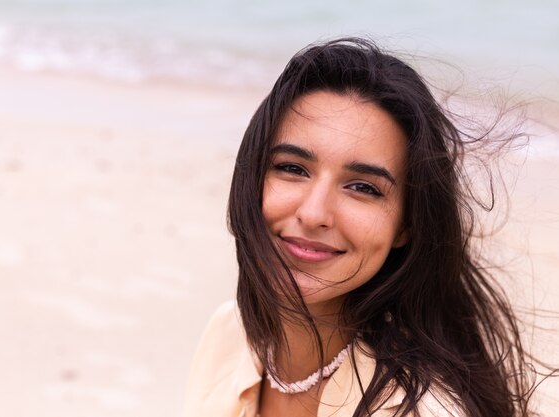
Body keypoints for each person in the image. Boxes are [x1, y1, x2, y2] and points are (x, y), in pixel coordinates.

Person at [183, 38, 543, 417]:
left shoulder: (423, 409)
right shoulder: (230, 332)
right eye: (292, 167)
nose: (314, 213)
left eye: (363, 188)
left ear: (406, 226)